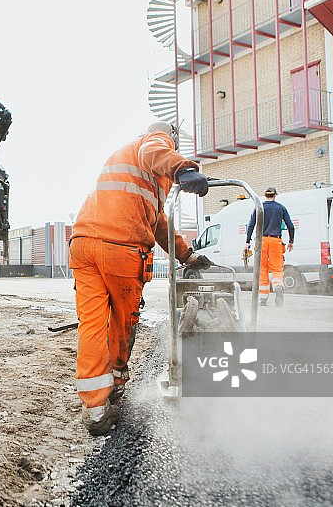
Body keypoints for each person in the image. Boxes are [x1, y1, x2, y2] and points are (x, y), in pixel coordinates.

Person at [69, 121, 213, 435]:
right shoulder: (153, 144)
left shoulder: (132, 168)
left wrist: (187, 255)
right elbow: (155, 148)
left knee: (92, 323)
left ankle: (95, 409)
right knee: (123, 320)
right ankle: (117, 384)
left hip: (82, 244)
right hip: (119, 247)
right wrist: (183, 169)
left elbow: (159, 223)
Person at [245, 187, 294, 307]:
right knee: (277, 269)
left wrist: (247, 242)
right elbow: (290, 226)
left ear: (265, 195)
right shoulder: (281, 208)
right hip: (275, 241)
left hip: (261, 241)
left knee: (262, 270)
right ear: (275, 195)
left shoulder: (259, 207)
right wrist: (291, 241)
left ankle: (263, 298)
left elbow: (251, 224)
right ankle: (277, 287)